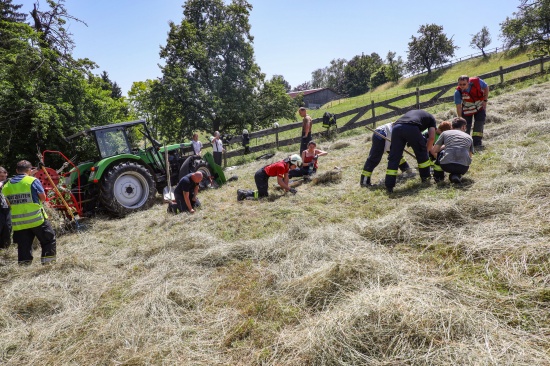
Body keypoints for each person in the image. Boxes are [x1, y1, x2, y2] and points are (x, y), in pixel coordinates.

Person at [2, 160, 56, 264]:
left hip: (19, 223)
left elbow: (7, 203)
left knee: (23, 247)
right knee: (48, 239)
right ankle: (48, 264)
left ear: (16, 170)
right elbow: (43, 198)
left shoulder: (7, 185)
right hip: (37, 220)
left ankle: (24, 266)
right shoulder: (32, 181)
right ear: (29, 170)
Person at [385, 110, 436, 193]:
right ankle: (426, 178)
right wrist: (425, 152)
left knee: (394, 156)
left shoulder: (414, 113)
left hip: (396, 128)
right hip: (411, 128)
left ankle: (389, 185)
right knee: (421, 153)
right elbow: (432, 138)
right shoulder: (431, 119)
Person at [360, 122, 415, 187]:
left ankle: (406, 169)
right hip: (381, 134)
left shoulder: (407, 126)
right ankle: (364, 182)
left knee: (397, 154)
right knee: (374, 159)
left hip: (389, 135)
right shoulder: (405, 127)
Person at [237, 154, 302, 200]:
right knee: (263, 196)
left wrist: (287, 189)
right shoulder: (281, 167)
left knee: (264, 193)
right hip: (261, 176)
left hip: (264, 175)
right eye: (295, 166)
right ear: (292, 163)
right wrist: (290, 189)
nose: (295, 168)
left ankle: (243, 192)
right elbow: (280, 182)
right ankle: (243, 194)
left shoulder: (286, 165)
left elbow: (286, 178)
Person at [431, 117, 474, 184]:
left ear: (452, 126)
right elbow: (470, 156)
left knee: (441, 152)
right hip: (463, 167)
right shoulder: (469, 137)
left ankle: (438, 178)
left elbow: (435, 150)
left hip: (446, 165)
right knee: (460, 162)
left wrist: (444, 147)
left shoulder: (445, 133)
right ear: (463, 127)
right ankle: (455, 176)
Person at [455, 75, 489, 148]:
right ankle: (466, 145)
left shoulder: (477, 82)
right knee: (465, 127)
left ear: (468, 82)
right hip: (467, 111)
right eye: (460, 84)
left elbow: (486, 87)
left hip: (479, 108)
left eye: (464, 84)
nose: (462, 86)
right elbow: (458, 107)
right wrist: (460, 118)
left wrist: (485, 101)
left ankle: (477, 144)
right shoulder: (458, 92)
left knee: (479, 125)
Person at [0, 166, 12, 249]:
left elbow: (22, 176)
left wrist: (37, 169)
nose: (3, 179)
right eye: (1, 177)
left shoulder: (7, 183)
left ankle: (5, 249)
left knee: (7, 229)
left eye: (5, 177)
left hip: (6, 209)